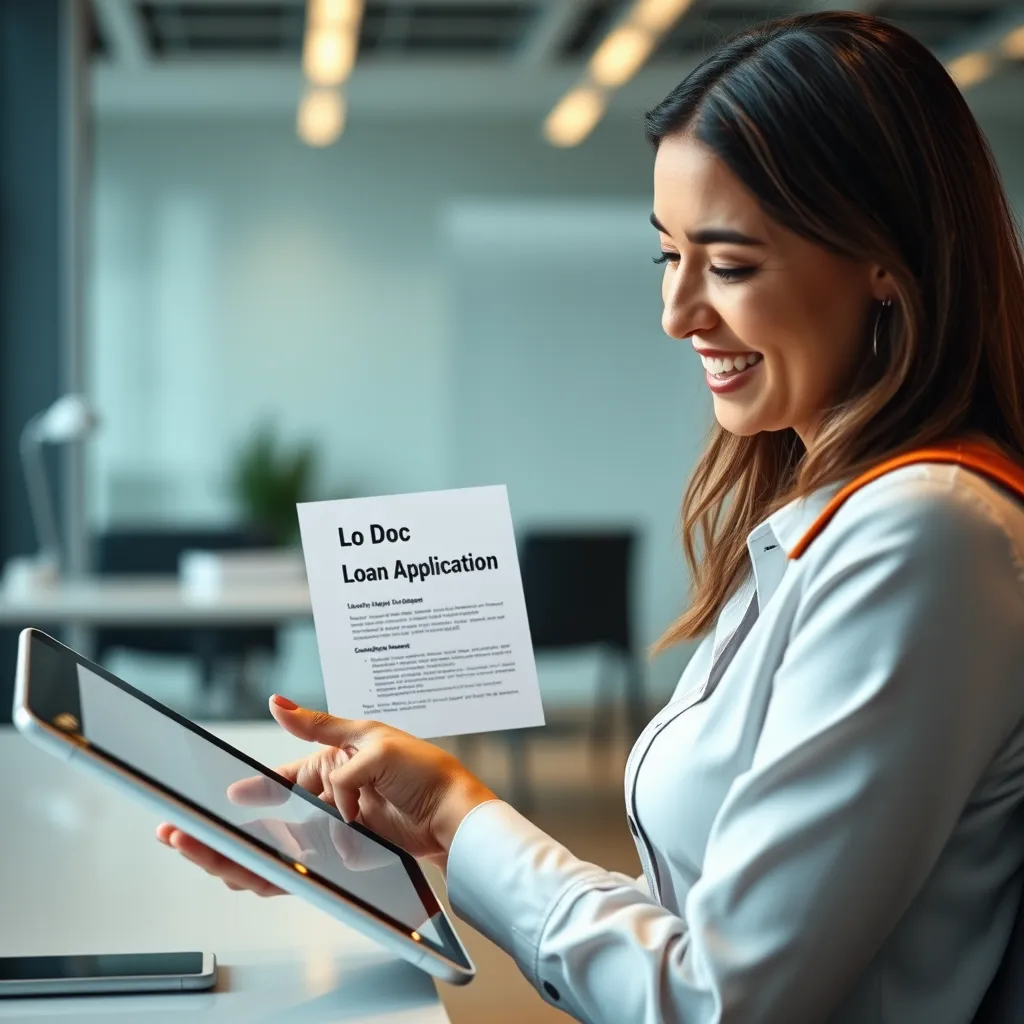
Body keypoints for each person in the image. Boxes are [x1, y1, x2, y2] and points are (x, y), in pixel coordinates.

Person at [156, 11, 1024, 1022]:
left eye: (730, 264)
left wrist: (462, 814)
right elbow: (701, 932)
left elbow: (714, 1002)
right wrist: (439, 816)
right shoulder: (844, 515)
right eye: (668, 256)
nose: (678, 312)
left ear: (887, 261)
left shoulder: (926, 536)